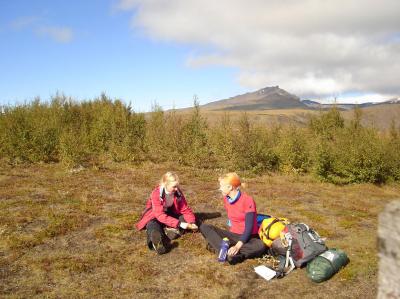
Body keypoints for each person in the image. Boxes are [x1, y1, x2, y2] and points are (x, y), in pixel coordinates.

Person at [199, 172, 267, 265]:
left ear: (230, 187)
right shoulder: (226, 199)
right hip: (233, 235)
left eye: (221, 186)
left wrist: (237, 247)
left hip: (248, 237)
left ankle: (231, 253)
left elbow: (249, 228)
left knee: (260, 246)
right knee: (204, 227)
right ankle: (225, 252)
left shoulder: (247, 200)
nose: (220, 188)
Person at [136, 171, 198, 254]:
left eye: (177, 186)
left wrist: (192, 222)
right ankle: (158, 242)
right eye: (174, 186)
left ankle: (171, 232)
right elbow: (160, 215)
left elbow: (185, 209)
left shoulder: (177, 192)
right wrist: (180, 224)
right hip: (155, 215)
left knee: (184, 218)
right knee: (152, 225)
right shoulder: (156, 193)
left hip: (170, 213)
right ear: (165, 184)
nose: (176, 188)